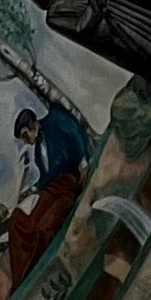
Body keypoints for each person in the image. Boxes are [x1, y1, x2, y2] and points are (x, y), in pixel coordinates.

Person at [5, 100, 90, 279]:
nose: (26, 140)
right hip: (51, 188)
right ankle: (21, 273)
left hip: (67, 183)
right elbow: (47, 176)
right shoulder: (37, 151)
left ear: (31, 125)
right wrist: (32, 189)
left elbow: (75, 134)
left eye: (24, 134)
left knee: (43, 226)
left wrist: (83, 165)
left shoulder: (53, 120)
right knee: (17, 221)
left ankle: (33, 270)